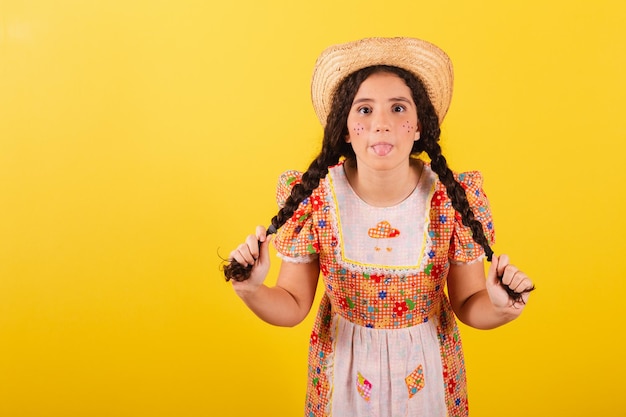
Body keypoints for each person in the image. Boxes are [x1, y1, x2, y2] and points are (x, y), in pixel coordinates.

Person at [224, 37, 534, 417]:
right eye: (365, 109)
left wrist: (502, 307)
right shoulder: (318, 199)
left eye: (398, 108)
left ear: (419, 126)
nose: (381, 124)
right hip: (342, 382)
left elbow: (470, 305)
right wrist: (251, 288)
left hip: (430, 377)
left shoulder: (451, 199)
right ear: (345, 129)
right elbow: (292, 305)